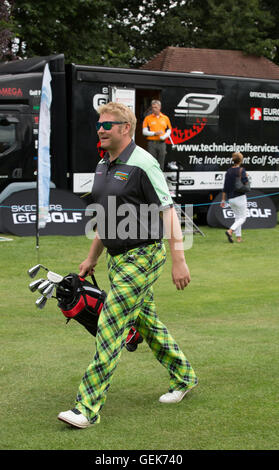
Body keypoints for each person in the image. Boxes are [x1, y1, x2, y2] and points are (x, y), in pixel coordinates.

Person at [58, 102, 198, 429]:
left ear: (126, 128)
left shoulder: (144, 163)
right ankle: (184, 376)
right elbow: (105, 218)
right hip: (117, 260)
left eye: (109, 124)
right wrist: (92, 257)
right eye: (99, 124)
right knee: (147, 323)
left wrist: (179, 258)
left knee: (111, 321)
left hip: (145, 256)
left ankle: (87, 408)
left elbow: (168, 211)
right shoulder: (102, 165)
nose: (101, 129)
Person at [221, 152, 249, 243]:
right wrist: (247, 177)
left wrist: (223, 199)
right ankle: (230, 231)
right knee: (243, 218)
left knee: (237, 217)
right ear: (241, 160)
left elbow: (225, 187)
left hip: (230, 199)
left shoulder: (228, 171)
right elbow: (245, 183)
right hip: (240, 197)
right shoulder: (242, 170)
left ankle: (238, 238)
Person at [142, 100, 172, 170]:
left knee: (161, 163)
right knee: (151, 162)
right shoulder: (148, 118)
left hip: (162, 143)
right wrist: (155, 133)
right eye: (152, 107)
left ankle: (160, 178)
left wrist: (165, 136)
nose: (154, 109)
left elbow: (169, 130)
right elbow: (144, 132)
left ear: (159, 107)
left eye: (155, 107)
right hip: (152, 143)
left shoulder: (165, 118)